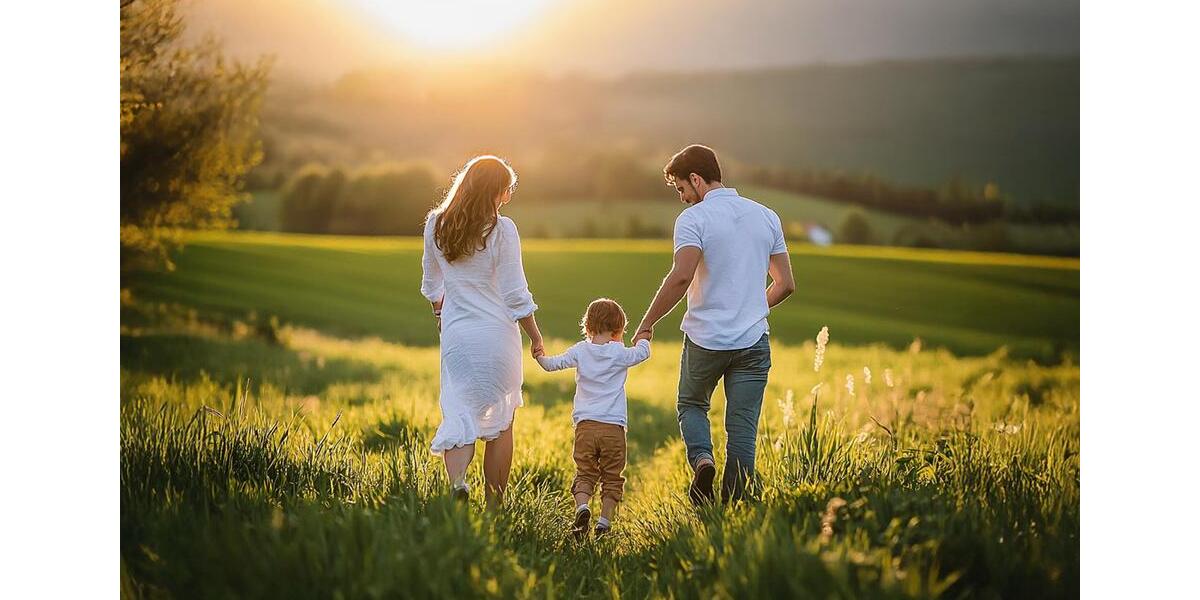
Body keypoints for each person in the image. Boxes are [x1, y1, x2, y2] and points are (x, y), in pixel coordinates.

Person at [632, 144, 796, 505]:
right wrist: (752, 308)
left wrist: (646, 323)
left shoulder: (694, 220)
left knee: (691, 404)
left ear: (696, 179)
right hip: (753, 342)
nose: (681, 198)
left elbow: (680, 277)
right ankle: (735, 509)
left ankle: (703, 459)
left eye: (680, 189)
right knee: (742, 429)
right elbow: (785, 283)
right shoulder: (766, 215)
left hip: (706, 340)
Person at [420, 155, 545, 508]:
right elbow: (515, 293)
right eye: (507, 191)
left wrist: (442, 316)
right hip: (497, 337)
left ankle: (458, 484)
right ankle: (494, 506)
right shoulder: (503, 230)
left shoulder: (436, 224)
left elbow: (432, 286)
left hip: (457, 337)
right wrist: (535, 336)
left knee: (459, 410)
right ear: (499, 192)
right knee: (502, 421)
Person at [536, 298, 651, 539]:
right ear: (619, 330)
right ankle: (604, 523)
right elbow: (642, 353)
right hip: (613, 428)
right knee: (612, 477)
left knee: (585, 473)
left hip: (585, 427)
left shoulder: (580, 350)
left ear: (587, 327)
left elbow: (552, 365)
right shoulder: (619, 352)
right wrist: (644, 337)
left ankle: (582, 508)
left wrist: (540, 356)